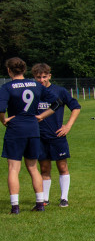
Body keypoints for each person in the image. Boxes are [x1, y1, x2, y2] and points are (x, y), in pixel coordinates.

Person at [1, 57, 55, 214]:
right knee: (33, 167)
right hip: (33, 129)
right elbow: (57, 102)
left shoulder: (7, 87)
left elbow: (0, 108)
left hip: (16, 129)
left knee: (13, 168)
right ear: (24, 70)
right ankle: (40, 203)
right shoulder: (36, 85)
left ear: (9, 70)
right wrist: (42, 116)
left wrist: (3, 120)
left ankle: (15, 206)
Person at [33, 64, 81, 207]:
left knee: (62, 166)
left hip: (57, 135)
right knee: (44, 168)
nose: (41, 80)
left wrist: (68, 126)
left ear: (49, 76)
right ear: (34, 77)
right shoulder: (33, 92)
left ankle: (64, 198)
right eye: (38, 77)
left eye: (44, 76)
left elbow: (76, 107)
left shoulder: (59, 91)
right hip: (39, 136)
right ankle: (45, 199)